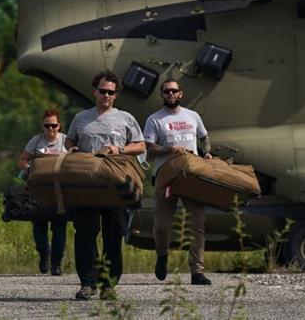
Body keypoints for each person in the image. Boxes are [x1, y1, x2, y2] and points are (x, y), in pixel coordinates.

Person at [65, 71, 145, 301]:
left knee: (114, 234)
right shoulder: (81, 118)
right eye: (102, 91)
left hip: (115, 184)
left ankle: (109, 284)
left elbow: (140, 146)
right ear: (95, 91)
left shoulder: (126, 118)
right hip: (86, 184)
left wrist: (120, 149)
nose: (106, 95)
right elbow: (70, 139)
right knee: (85, 234)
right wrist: (70, 147)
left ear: (115, 95)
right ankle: (87, 283)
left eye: (111, 92)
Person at [143, 78, 213, 286]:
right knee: (162, 226)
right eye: (167, 91)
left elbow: (204, 136)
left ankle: (197, 272)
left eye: (174, 91)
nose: (171, 94)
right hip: (166, 177)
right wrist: (170, 149)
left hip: (191, 176)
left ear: (181, 94)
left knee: (197, 225)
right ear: (162, 95)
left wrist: (207, 152)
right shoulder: (155, 120)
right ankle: (162, 255)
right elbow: (149, 147)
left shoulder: (192, 116)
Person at [16, 109, 68, 276]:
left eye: (54, 125)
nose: (51, 129)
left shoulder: (66, 141)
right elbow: (22, 160)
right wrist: (31, 169)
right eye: (47, 126)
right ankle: (44, 253)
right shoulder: (36, 141)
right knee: (39, 227)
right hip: (38, 190)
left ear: (59, 126)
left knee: (59, 227)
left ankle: (56, 262)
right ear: (42, 126)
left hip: (59, 191)